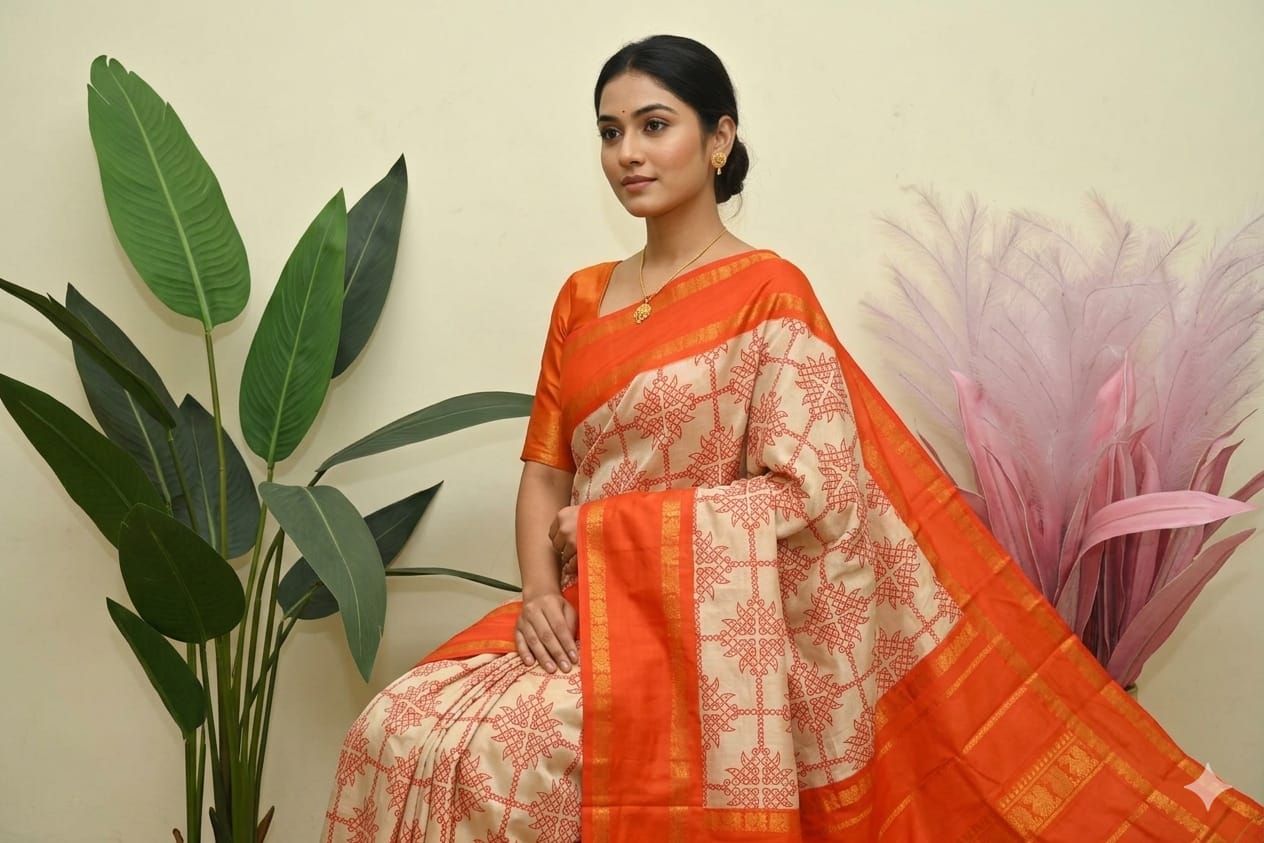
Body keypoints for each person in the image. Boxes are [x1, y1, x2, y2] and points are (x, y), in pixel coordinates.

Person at [322, 35, 1264, 842]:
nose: (627, 153)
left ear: (719, 137)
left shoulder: (768, 291)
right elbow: (542, 474)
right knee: (398, 724)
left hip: (704, 623)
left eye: (655, 124)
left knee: (513, 760)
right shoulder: (581, 299)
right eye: (610, 132)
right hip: (579, 607)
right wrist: (539, 595)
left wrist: (616, 535)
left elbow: (813, 490)